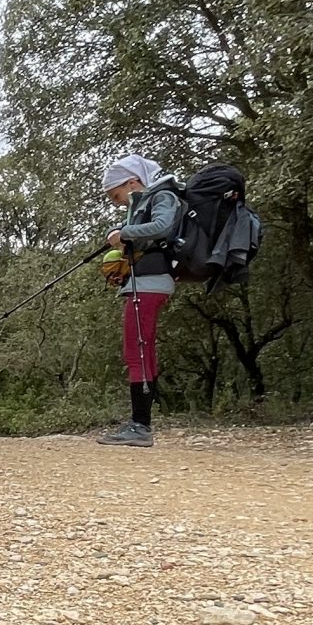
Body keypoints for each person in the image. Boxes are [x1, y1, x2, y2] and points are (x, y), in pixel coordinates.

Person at [97, 156, 179, 446]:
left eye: (116, 195)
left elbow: (163, 227)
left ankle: (140, 427)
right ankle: (139, 424)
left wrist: (125, 233)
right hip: (143, 283)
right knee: (140, 349)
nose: (116, 202)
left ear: (132, 181)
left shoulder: (163, 196)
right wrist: (118, 234)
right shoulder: (146, 201)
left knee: (138, 351)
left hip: (150, 283)